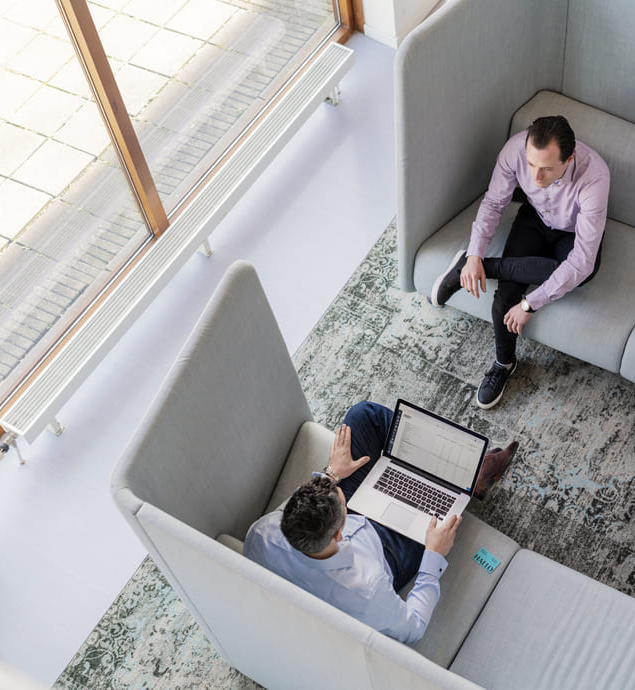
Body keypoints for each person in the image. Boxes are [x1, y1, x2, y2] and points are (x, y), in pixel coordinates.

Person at [243, 401, 518, 644]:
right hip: (388, 553)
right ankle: (472, 477)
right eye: (338, 495)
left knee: (365, 415)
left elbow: (311, 507)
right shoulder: (368, 589)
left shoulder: (262, 534)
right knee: (438, 500)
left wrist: (332, 474)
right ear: (340, 532)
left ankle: (461, 472)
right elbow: (414, 628)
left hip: (338, 533)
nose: (333, 486)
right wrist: (433, 555)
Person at [429, 115, 610, 409]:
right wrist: (475, 253)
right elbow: (494, 203)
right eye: (531, 165)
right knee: (506, 294)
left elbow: (582, 261)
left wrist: (531, 303)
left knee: (584, 272)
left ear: (570, 158)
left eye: (547, 169)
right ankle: (504, 364)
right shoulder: (515, 149)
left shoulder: (596, 176)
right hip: (534, 219)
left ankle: (472, 267)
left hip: (572, 232)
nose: (536, 178)